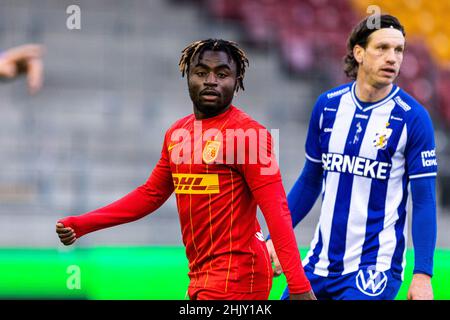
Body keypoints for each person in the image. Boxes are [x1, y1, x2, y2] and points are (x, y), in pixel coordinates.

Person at [56, 39, 315, 300]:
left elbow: (277, 211)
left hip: (237, 275)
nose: (211, 80)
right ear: (187, 76)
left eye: (222, 74)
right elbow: (150, 195)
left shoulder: (249, 135)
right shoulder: (178, 134)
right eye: (201, 72)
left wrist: (299, 288)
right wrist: (82, 224)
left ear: (237, 83)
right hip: (200, 274)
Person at [267, 14, 438, 300]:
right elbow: (310, 182)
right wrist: (276, 236)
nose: (392, 58)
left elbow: (424, 200)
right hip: (318, 265)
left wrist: (422, 275)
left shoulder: (413, 118)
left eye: (399, 50)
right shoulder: (327, 106)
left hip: (374, 271)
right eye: (382, 48)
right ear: (358, 53)